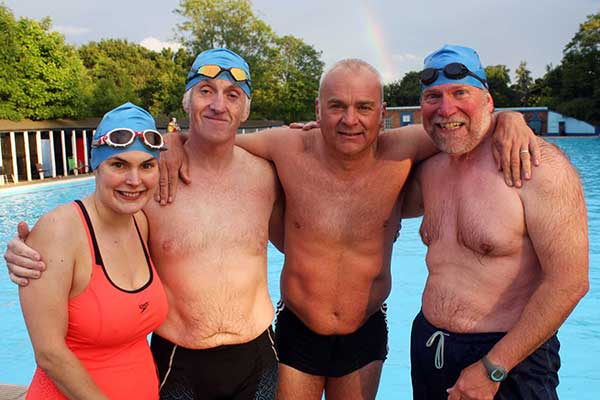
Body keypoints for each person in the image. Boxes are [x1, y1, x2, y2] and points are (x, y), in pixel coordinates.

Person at [5, 54, 536, 399]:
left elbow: (458, 128)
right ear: (317, 109)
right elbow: (112, 200)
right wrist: (44, 242)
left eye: (363, 107)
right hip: (224, 347)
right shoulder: (222, 163)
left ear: (380, 114)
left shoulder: (384, 154)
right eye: (336, 106)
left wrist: (509, 118)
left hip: (315, 339)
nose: (349, 119)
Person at [6, 49, 281, 400]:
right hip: (179, 363)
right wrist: (27, 251)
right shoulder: (151, 187)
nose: (218, 104)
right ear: (187, 102)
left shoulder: (266, 176)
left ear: (246, 108)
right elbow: (89, 228)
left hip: (257, 357)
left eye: (232, 95)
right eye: (206, 90)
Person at [400, 44, 589, 400]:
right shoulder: (428, 170)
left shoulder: (537, 168)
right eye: (432, 96)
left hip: (509, 358)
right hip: (430, 348)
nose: (446, 108)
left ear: (488, 101)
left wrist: (493, 367)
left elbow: (570, 282)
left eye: (460, 93)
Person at [19, 102, 169, 399]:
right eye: (119, 164)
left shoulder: (140, 222)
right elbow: (49, 353)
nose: (134, 180)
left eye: (146, 166)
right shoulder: (59, 230)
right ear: (96, 164)